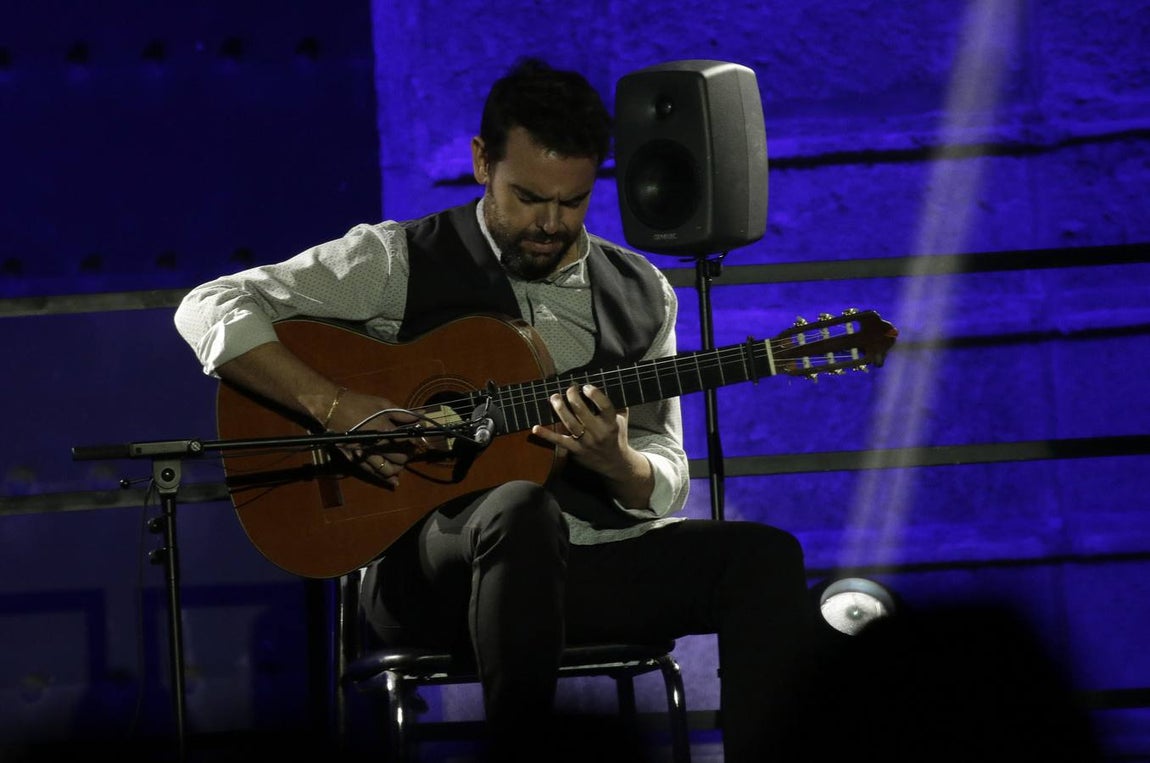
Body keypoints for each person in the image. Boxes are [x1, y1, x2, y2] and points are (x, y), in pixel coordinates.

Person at [175, 57, 814, 761]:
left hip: (584, 570)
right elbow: (209, 304)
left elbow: (664, 468)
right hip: (430, 577)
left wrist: (617, 461)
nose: (549, 223)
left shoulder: (642, 290)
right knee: (517, 508)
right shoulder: (398, 260)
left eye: (571, 202)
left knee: (764, 557)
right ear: (482, 163)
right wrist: (336, 404)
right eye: (528, 197)